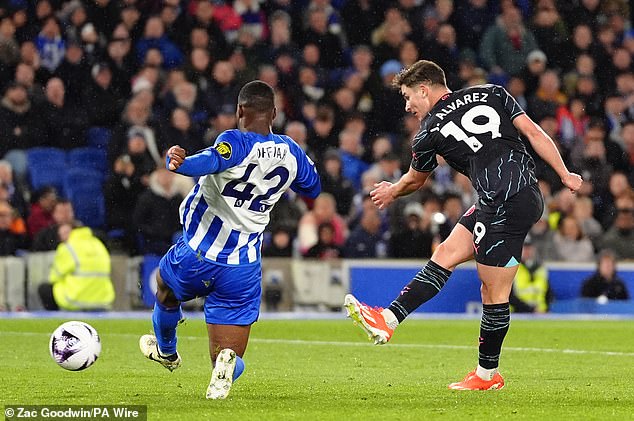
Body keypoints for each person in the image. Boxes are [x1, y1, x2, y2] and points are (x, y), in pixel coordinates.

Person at [344, 60, 582, 390]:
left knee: (495, 291)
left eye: (408, 96)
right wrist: (563, 173)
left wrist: (392, 190)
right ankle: (389, 319)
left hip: (504, 201)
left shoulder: (427, 133)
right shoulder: (491, 92)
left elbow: (416, 180)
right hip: (515, 193)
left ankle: (487, 376)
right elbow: (533, 131)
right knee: (447, 252)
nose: (408, 105)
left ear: (424, 89)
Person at [138, 80, 320, 399]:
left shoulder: (235, 141)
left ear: (239, 111)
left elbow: (211, 159)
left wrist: (181, 164)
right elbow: (313, 188)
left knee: (164, 289)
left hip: (197, 253)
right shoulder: (292, 151)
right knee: (227, 354)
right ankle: (225, 364)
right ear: (274, 114)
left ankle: (167, 351)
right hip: (242, 266)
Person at [37, 223, 114, 311]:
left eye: (64, 233)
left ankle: (55, 319)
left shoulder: (67, 247)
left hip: (75, 300)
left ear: (73, 231)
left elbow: (54, 277)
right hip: (103, 300)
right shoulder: (98, 244)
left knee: (44, 289)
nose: (62, 237)